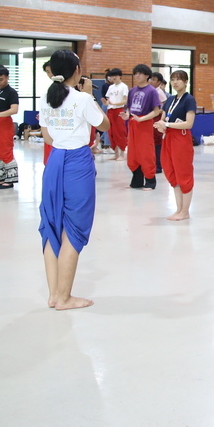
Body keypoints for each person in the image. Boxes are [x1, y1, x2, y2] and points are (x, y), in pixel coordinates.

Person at [38, 50, 109, 310]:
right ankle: (65, 298)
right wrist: (91, 96)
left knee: (51, 225)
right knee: (74, 228)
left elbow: (47, 136)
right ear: (77, 70)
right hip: (78, 162)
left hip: (55, 161)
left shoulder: (47, 98)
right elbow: (105, 126)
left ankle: (54, 295)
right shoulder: (82, 98)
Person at [154, 70, 197, 220]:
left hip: (181, 139)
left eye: (179, 79)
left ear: (186, 82)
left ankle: (185, 211)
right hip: (169, 138)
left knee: (183, 172)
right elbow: (164, 118)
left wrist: (167, 124)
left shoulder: (189, 99)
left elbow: (189, 123)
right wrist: (161, 125)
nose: (175, 82)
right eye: (172, 79)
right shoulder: (170, 99)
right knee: (172, 172)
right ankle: (179, 209)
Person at [122, 64, 162, 191]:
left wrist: (142, 119)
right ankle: (137, 180)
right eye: (135, 73)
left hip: (144, 124)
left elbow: (157, 111)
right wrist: (127, 115)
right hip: (133, 123)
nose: (137, 76)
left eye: (140, 73)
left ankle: (150, 180)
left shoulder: (151, 91)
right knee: (133, 153)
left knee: (146, 152)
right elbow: (129, 108)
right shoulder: (132, 90)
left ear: (146, 75)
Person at [102, 67, 129, 161]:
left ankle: (122, 153)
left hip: (119, 111)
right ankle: (116, 153)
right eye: (112, 76)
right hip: (110, 111)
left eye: (115, 75)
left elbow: (125, 100)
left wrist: (115, 103)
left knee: (120, 132)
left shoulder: (123, 86)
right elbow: (108, 98)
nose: (113, 77)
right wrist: (107, 103)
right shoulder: (111, 87)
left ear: (120, 76)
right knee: (111, 132)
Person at [150, 72, 169, 174]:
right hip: (151, 118)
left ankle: (158, 166)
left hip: (157, 118)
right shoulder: (150, 91)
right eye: (150, 79)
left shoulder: (159, 92)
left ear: (159, 82)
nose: (150, 81)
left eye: (153, 80)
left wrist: (156, 113)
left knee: (157, 142)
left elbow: (164, 108)